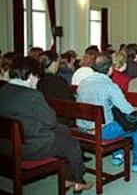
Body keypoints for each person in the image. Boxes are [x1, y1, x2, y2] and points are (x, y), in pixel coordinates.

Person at [0, 57, 93, 193]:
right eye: (37, 77)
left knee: (64, 131)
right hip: (29, 148)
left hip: (6, 145)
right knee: (72, 144)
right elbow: (51, 121)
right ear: (31, 76)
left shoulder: (3, 90)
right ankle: (79, 180)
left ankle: (68, 178)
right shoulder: (32, 95)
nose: (38, 81)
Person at [76, 54, 137, 173]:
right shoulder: (110, 86)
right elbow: (127, 110)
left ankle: (118, 155)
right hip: (102, 131)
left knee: (118, 122)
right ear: (110, 69)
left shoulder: (83, 83)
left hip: (82, 129)